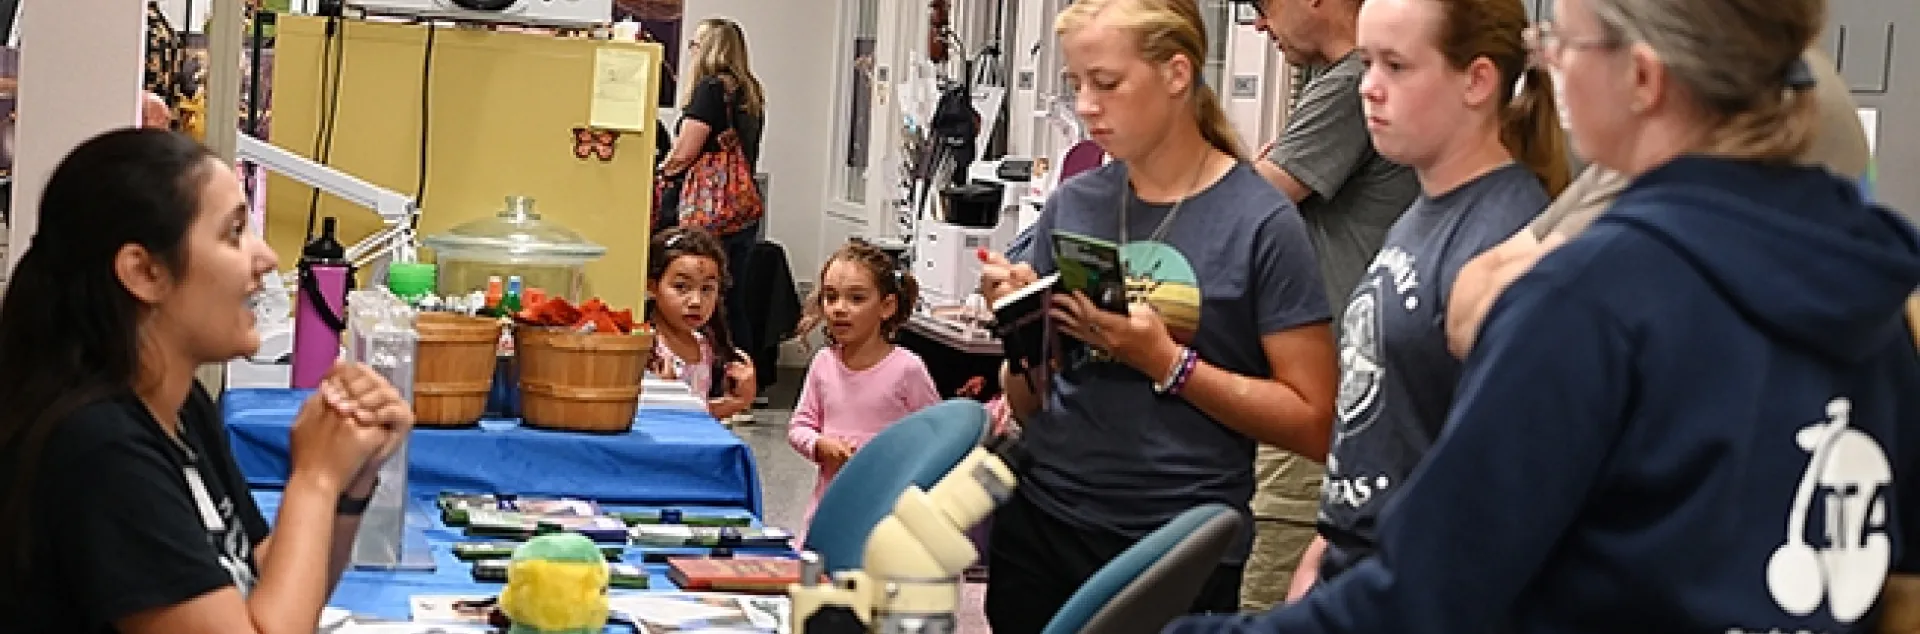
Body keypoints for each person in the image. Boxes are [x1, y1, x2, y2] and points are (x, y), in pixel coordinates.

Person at [1165, 0, 1920, 630]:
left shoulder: (1590, 302)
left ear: (1643, 79)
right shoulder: (1874, 295)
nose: (1548, 62)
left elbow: (1427, 596)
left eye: (1561, 39)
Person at [974, 0, 1339, 630]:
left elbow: (1312, 422)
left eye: (1107, 84)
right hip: (1044, 520)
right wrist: (1023, 328)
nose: (1086, 105)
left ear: (1176, 74)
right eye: (1076, 85)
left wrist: (1168, 362)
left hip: (1176, 545)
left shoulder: (1261, 222)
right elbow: (1031, 401)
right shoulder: (1075, 203)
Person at [0, 128, 415, 633]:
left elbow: (273, 594)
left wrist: (353, 478)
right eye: (233, 233)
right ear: (145, 272)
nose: (266, 259)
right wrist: (315, 480)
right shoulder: (99, 451)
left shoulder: (180, 405)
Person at [1285, 0, 1568, 599]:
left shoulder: (1499, 236)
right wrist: (1326, 544)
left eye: (1396, 67)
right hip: (1355, 562)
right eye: (1366, 64)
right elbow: (1388, 417)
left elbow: (1489, 481)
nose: (1369, 90)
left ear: (1477, 81)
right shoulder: (1423, 212)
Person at [1445, 47, 1871, 358]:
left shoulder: (1732, 97)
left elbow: (1516, 321)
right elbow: (1472, 302)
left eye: (1574, 39)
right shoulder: (1668, 102)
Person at [1229, 0, 1421, 606]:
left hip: (1328, 382)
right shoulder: (1330, 84)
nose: (1259, 23)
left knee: (1270, 588)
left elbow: (1244, 205)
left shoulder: (1349, 88)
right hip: (1338, 378)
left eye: (1264, 5)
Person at [786, 240, 942, 533]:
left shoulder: (907, 369)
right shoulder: (823, 363)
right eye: (831, 298)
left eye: (856, 299)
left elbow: (934, 439)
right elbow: (799, 427)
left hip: (888, 514)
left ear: (886, 307)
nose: (839, 309)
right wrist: (819, 445)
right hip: (831, 507)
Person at [660, 17, 767, 262]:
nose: (691, 52)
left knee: (701, 280)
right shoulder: (750, 92)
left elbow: (683, 154)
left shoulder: (710, 89)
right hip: (741, 208)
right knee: (731, 287)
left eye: (694, 44)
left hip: (707, 210)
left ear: (708, 49)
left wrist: (659, 175)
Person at [645, 227, 757, 420]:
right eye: (681, 287)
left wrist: (737, 401)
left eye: (707, 289)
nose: (696, 301)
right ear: (653, 287)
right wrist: (661, 394)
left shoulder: (703, 345)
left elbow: (698, 413)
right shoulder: (648, 348)